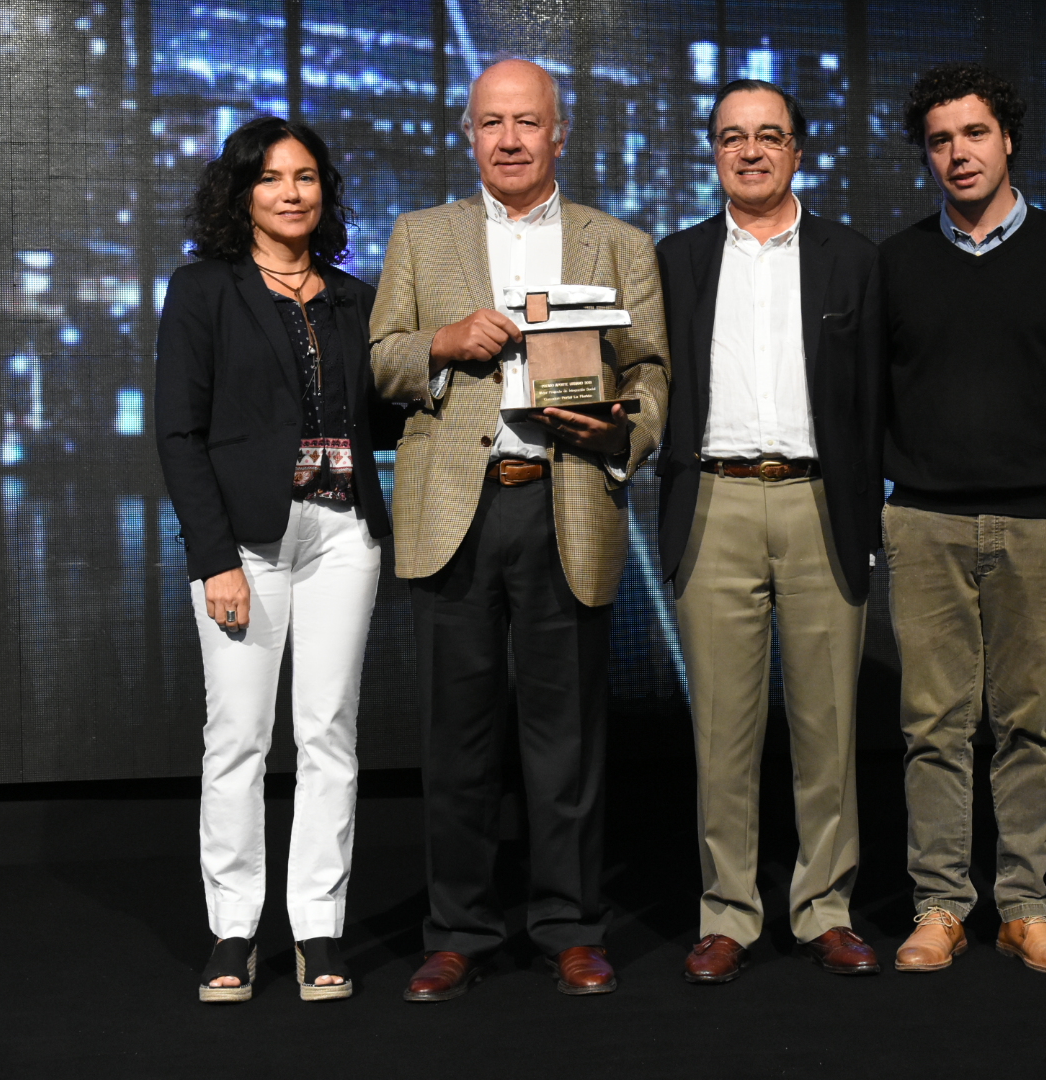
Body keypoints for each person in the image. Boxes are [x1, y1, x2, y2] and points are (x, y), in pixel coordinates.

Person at [370, 58, 669, 1001]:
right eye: (492, 122)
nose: (509, 139)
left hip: (566, 499)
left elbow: (652, 372)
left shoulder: (618, 243)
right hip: (454, 511)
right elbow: (380, 358)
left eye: (527, 122)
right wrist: (441, 343)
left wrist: (624, 430)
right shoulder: (420, 236)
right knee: (456, 741)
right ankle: (458, 931)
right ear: (468, 134)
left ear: (558, 134)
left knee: (565, 741)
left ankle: (570, 928)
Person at [880, 63, 1046, 975]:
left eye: (975, 133)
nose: (959, 153)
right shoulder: (895, 262)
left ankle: (1025, 909)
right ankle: (940, 906)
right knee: (933, 728)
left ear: (1008, 139)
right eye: (940, 140)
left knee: (1029, 726)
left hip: (1039, 526)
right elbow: (874, 395)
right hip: (924, 523)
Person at [156, 116, 395, 1003]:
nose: (291, 193)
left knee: (329, 732)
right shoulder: (203, 289)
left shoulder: (356, 297)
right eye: (270, 178)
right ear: (242, 193)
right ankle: (233, 928)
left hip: (343, 535)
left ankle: (318, 925)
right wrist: (212, 557)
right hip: (245, 543)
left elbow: (386, 415)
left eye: (305, 177)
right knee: (238, 739)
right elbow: (179, 433)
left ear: (325, 192)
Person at [655, 79, 884, 984]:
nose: (749, 152)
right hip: (713, 502)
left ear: (797, 150)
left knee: (829, 729)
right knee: (723, 733)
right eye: (731, 137)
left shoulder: (853, 257)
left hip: (819, 503)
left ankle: (825, 907)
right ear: (713, 151)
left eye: (768, 136)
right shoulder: (674, 258)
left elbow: (875, 393)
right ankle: (728, 915)